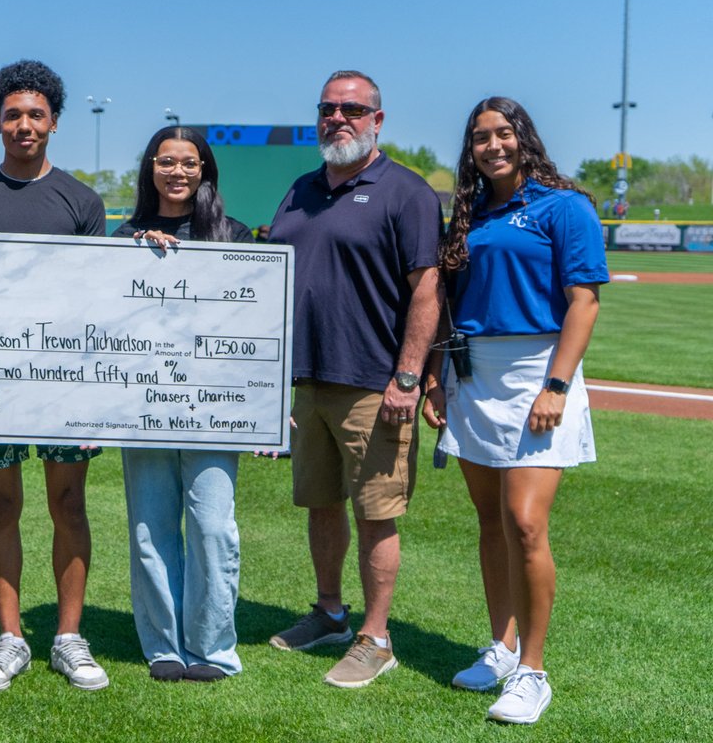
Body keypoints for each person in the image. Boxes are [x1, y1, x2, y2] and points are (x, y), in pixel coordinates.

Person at [423, 97, 606, 724]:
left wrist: (557, 385)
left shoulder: (566, 206)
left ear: (524, 138)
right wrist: (437, 379)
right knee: (490, 522)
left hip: (539, 373)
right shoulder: (468, 214)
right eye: (481, 138)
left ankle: (534, 670)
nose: (493, 145)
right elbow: (450, 304)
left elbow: (584, 301)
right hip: (473, 373)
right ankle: (500, 649)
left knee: (525, 524)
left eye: (503, 134)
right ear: (470, 148)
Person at [265, 70, 442, 688]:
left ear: (377, 120)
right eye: (327, 109)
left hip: (373, 382)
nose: (337, 118)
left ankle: (376, 636)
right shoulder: (300, 189)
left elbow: (427, 288)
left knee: (376, 513)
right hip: (308, 381)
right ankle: (331, 613)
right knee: (320, 503)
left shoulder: (406, 192)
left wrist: (408, 376)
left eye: (351, 109)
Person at [0, 59, 108, 693]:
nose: (24, 125)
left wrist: (96, 400)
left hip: (65, 384)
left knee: (69, 503)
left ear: (54, 122)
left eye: (35, 114)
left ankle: (68, 637)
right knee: (2, 505)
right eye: (12, 114)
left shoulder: (82, 200)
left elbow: (101, 305)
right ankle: (9, 637)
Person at [112, 126, 255, 683]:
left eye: (189, 163)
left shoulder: (234, 235)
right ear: (151, 168)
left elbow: (254, 327)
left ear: (205, 170)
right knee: (151, 531)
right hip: (141, 404)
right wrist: (137, 258)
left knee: (212, 528)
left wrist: (262, 406)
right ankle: (164, 645)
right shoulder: (126, 236)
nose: (177, 172)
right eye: (166, 161)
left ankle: (213, 647)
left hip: (214, 408)